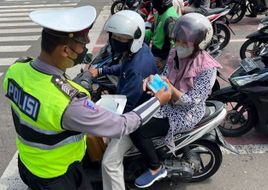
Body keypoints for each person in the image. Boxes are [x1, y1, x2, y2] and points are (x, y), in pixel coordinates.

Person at [2, 6, 172, 190]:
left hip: (28, 164)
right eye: (83, 44)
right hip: (59, 175)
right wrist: (158, 100)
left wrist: (94, 74)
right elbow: (121, 125)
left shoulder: (15, 71)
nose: (86, 47)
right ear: (66, 51)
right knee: (109, 162)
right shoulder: (69, 102)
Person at [130, 13, 222, 188]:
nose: (179, 46)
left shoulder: (208, 69)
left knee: (138, 128)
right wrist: (152, 82)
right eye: (177, 40)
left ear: (199, 44)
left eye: (184, 43)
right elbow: (165, 76)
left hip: (186, 113)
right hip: (166, 101)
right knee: (135, 105)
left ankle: (156, 168)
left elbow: (192, 102)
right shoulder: (174, 53)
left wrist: (171, 91)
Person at [87, 10, 158, 190]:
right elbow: (123, 67)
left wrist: (102, 113)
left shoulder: (137, 68)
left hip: (136, 117)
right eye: (115, 36)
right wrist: (101, 71)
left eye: (122, 38)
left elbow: (128, 106)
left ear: (134, 38)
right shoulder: (138, 51)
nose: (117, 41)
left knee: (109, 163)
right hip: (130, 104)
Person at [145, 0, 179, 73]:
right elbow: (152, 31)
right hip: (154, 50)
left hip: (161, 57)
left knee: (149, 77)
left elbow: (174, 45)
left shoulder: (170, 19)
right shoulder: (159, 13)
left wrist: (165, 62)